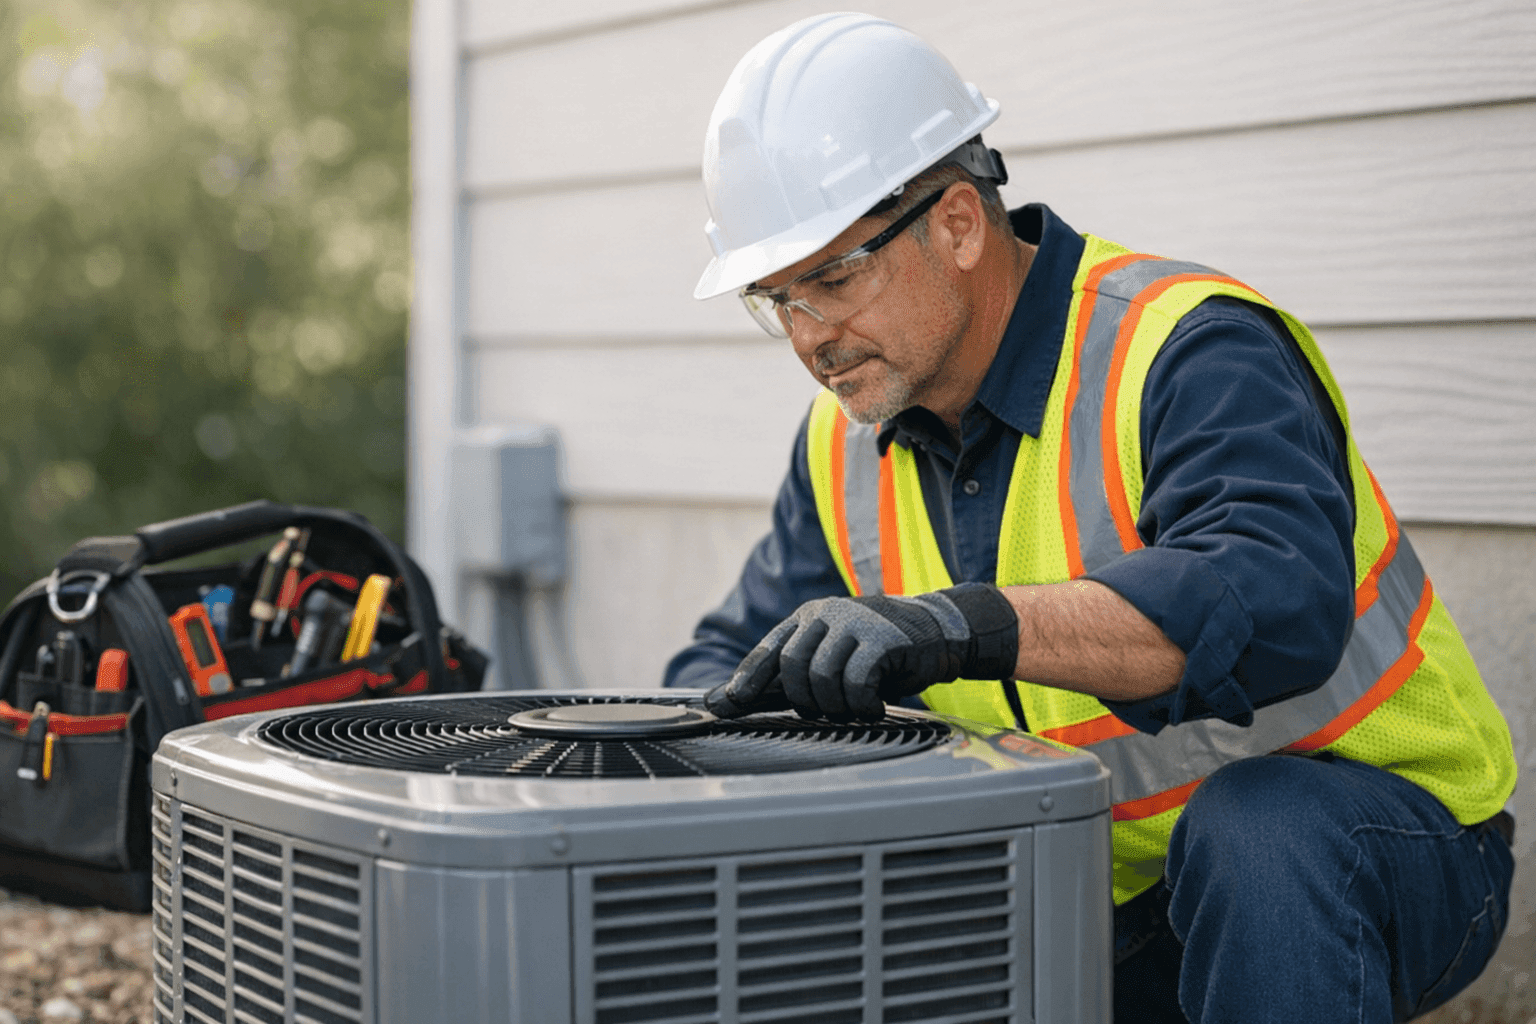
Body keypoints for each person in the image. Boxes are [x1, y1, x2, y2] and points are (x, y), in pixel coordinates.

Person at [662, 12, 1518, 1023]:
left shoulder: (1185, 347)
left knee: (1258, 828)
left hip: (1373, 846)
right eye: (776, 299)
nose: (810, 337)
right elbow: (731, 661)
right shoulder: (842, 442)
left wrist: (957, 625)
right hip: (1097, 894)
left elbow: (1270, 601)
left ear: (959, 224)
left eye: (832, 278)